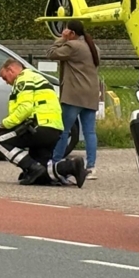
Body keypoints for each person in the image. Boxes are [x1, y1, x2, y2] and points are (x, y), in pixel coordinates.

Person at [0, 58, 87, 187]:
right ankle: (71, 166)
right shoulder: (37, 77)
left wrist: (6, 124)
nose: (6, 82)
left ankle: (31, 167)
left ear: (11, 70)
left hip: (39, 127)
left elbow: (26, 107)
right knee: (41, 175)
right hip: (54, 129)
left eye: (5, 78)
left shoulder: (23, 79)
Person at [48, 20, 100, 179]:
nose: (64, 32)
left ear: (72, 33)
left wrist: (61, 39)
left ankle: (56, 162)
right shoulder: (93, 47)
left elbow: (51, 53)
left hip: (74, 95)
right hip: (91, 94)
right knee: (90, 131)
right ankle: (91, 167)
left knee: (63, 130)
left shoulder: (72, 46)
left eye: (66, 30)